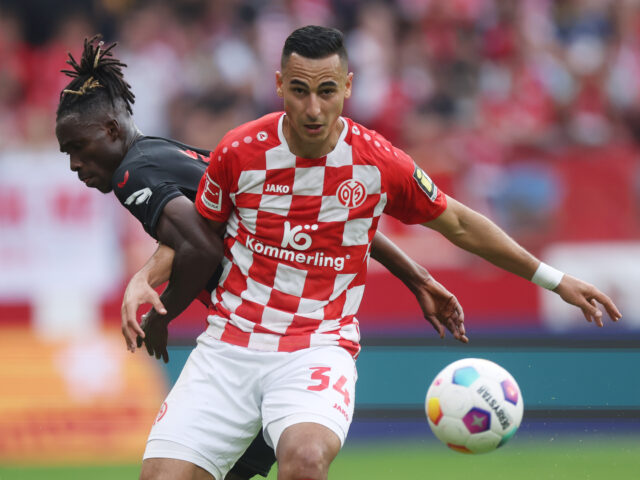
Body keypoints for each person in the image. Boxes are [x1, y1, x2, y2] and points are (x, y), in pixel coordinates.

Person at [125, 25, 622, 480]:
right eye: (299, 91)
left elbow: (461, 224)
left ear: (347, 86)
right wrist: (145, 276)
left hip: (318, 346)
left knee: (305, 460)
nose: (314, 109)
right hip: (229, 346)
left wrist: (554, 280)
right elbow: (196, 236)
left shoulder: (379, 163)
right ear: (279, 85)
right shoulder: (239, 152)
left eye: (326, 91)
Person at [54, 35, 467, 480]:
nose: (75, 164)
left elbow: (201, 245)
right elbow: (329, 221)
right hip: (257, 346)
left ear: (112, 131)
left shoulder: (133, 175)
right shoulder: (170, 154)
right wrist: (416, 275)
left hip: (277, 344)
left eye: (78, 147)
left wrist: (164, 313)